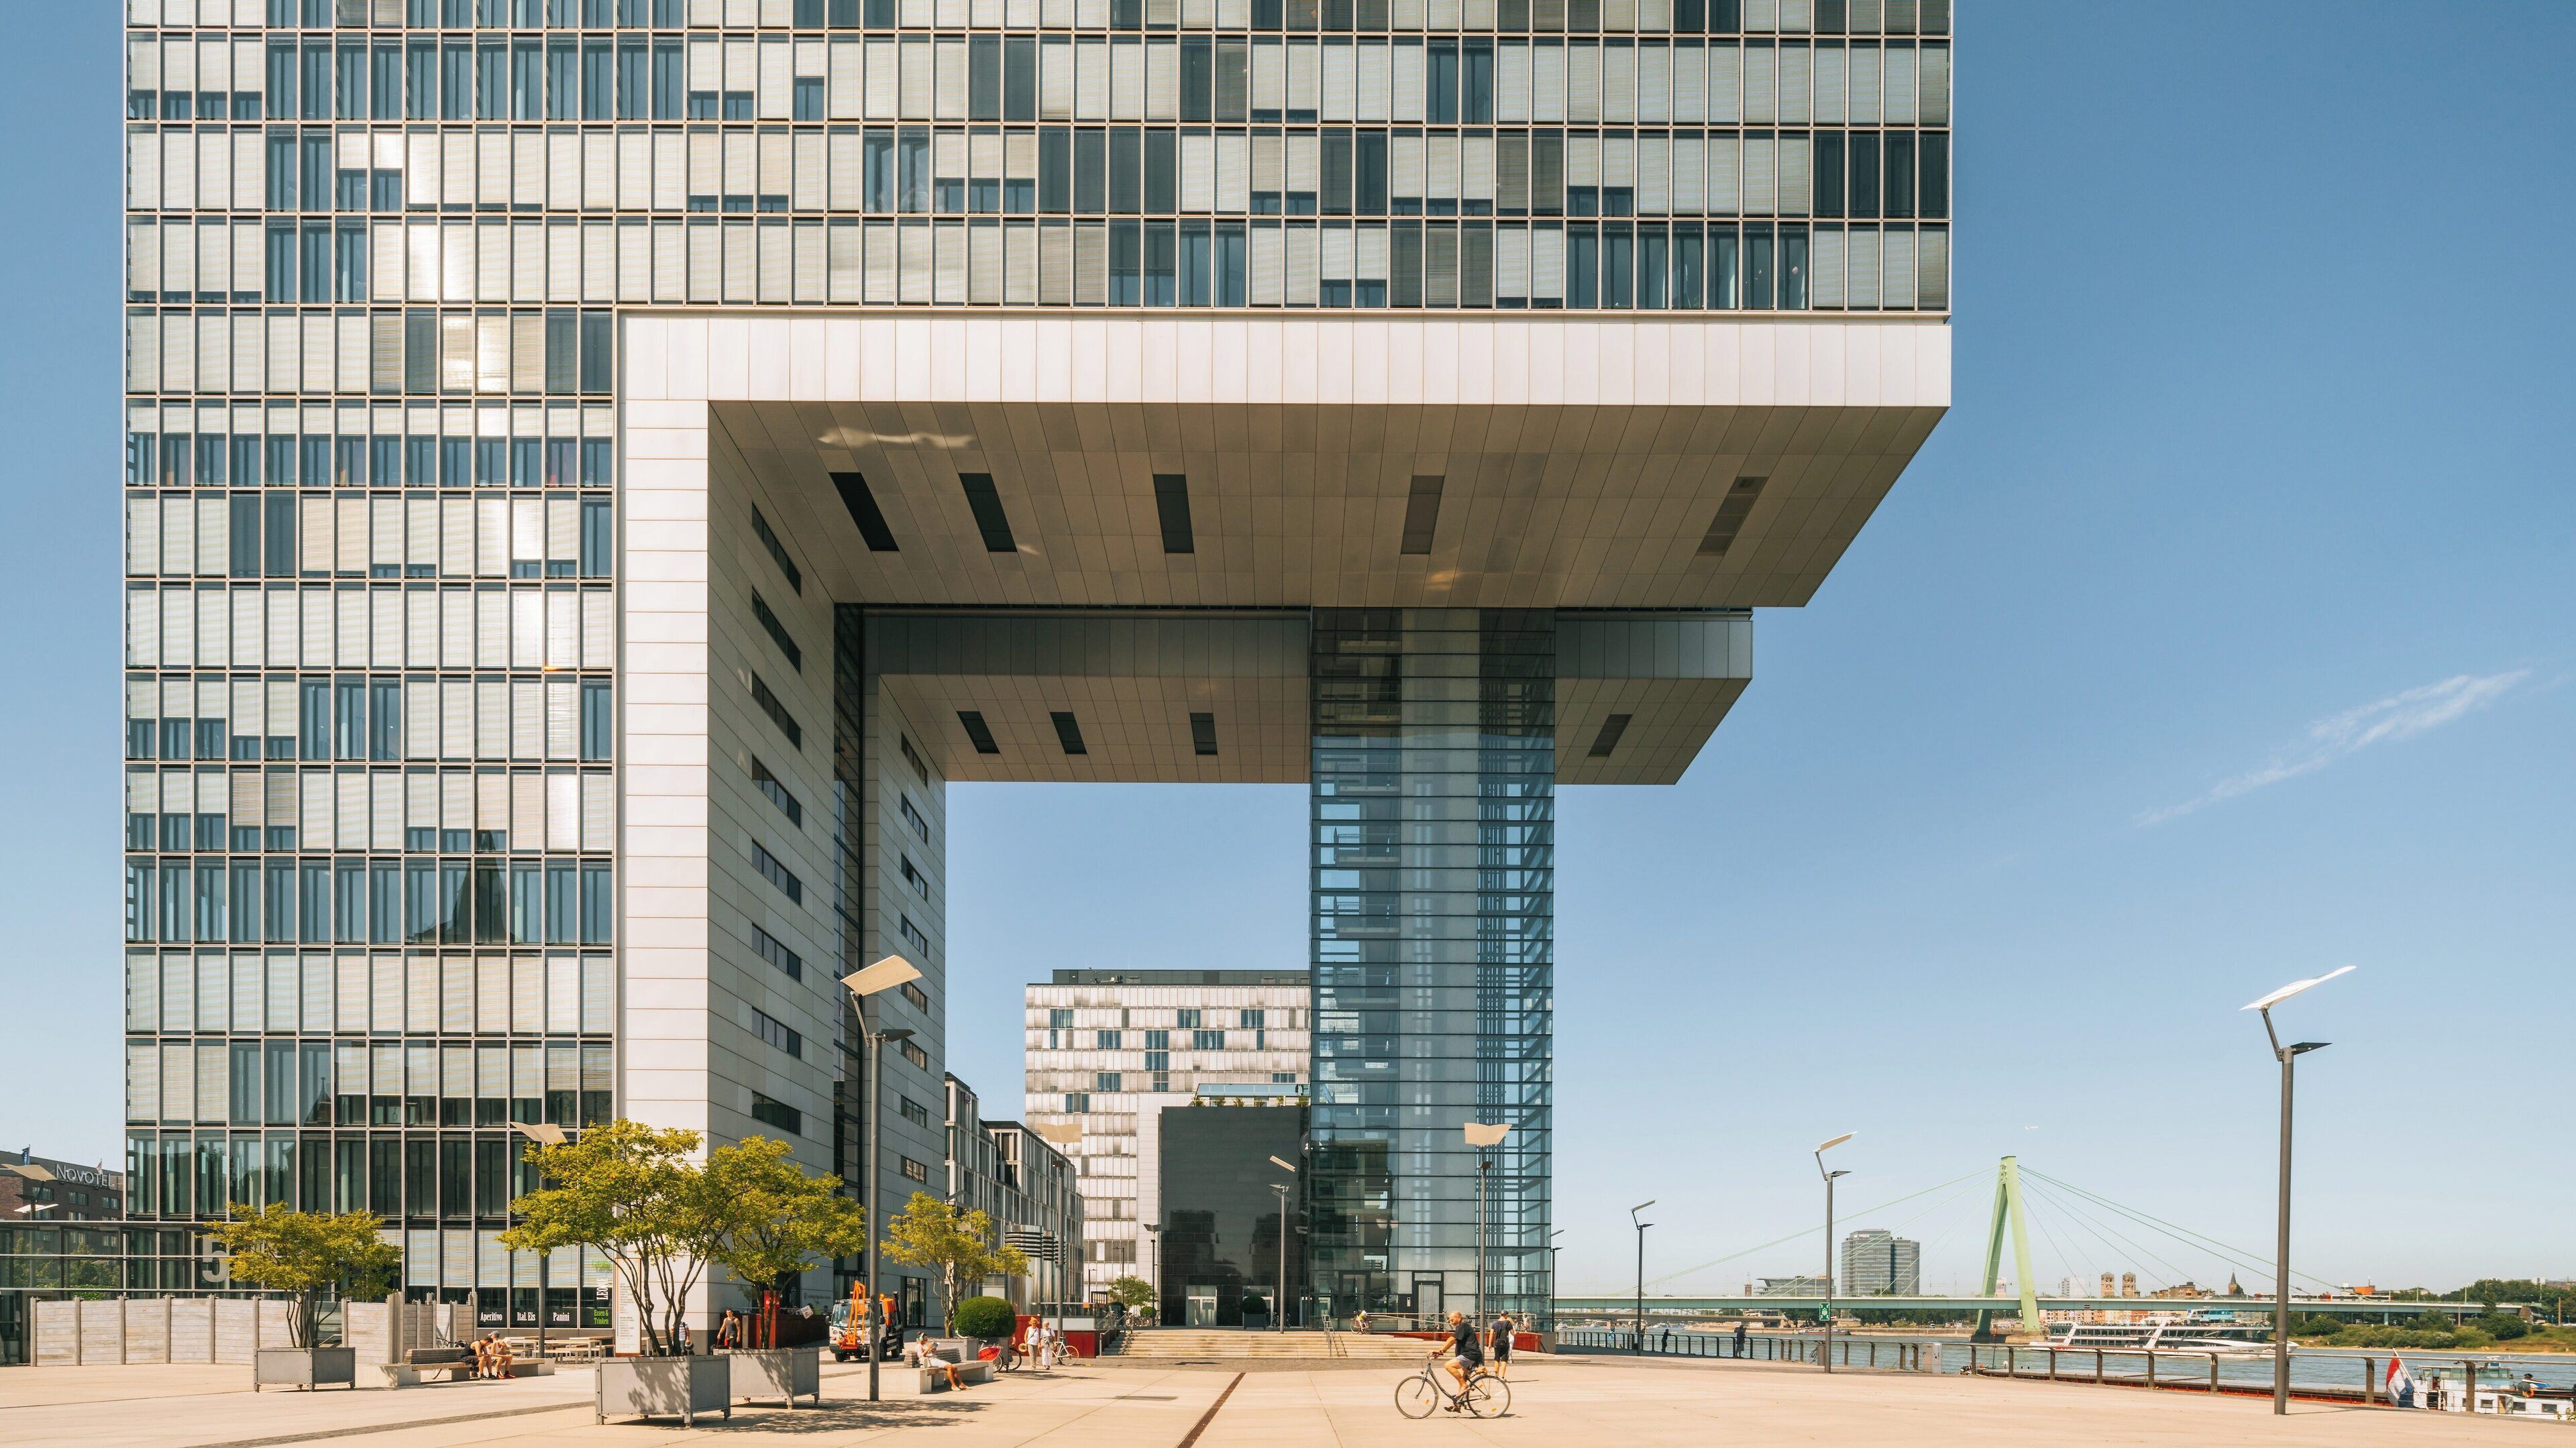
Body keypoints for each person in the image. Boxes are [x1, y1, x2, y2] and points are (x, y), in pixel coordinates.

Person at [1429, 1310, 1483, 1408]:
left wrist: (1441, 1350)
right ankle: (1458, 1404)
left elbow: (1452, 1340)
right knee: (1462, 1380)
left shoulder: (1464, 1326)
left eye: (1452, 1320)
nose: (1451, 1322)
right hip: (1470, 1355)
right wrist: (1441, 1352)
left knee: (1448, 1366)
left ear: (1459, 1318)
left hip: (1470, 1355)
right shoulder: (1460, 1328)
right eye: (1449, 1320)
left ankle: (1464, 1386)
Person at [1487, 1310, 1515, 1378]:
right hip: (1505, 1343)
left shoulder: (1494, 1323)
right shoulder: (1508, 1323)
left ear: (1500, 1315)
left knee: (1497, 1359)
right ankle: (1502, 1377)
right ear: (1507, 1315)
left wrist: (1490, 1344)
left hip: (1497, 1343)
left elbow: (1491, 1334)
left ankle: (1496, 1377)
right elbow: (1513, 1333)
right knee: (1504, 1360)